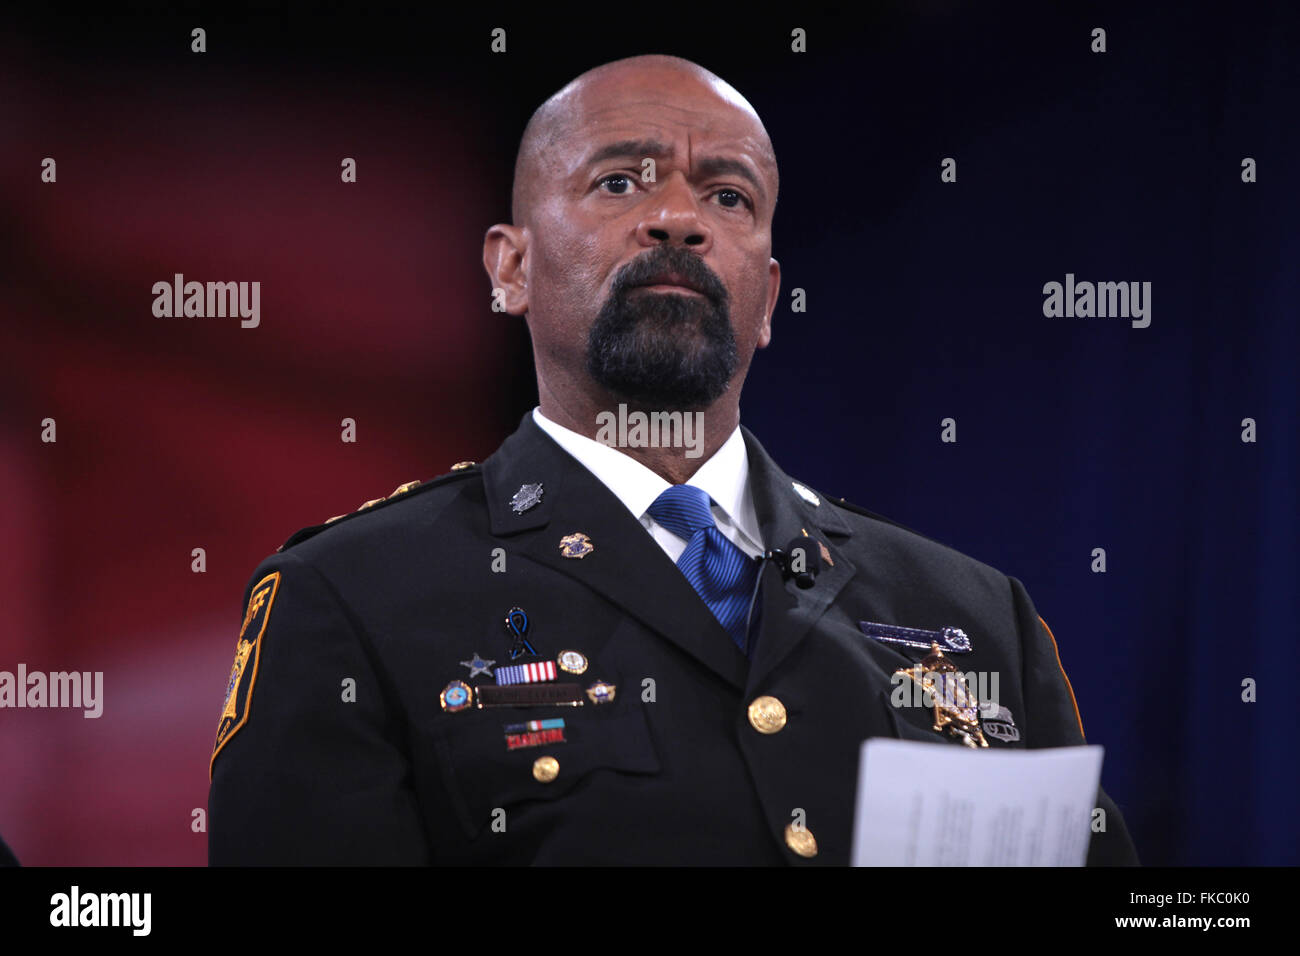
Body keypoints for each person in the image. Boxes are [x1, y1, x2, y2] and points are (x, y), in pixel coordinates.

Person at [207, 54, 1138, 865]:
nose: (679, 220)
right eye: (620, 183)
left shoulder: (974, 616)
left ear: (768, 297)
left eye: (729, 197)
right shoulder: (350, 599)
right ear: (510, 269)